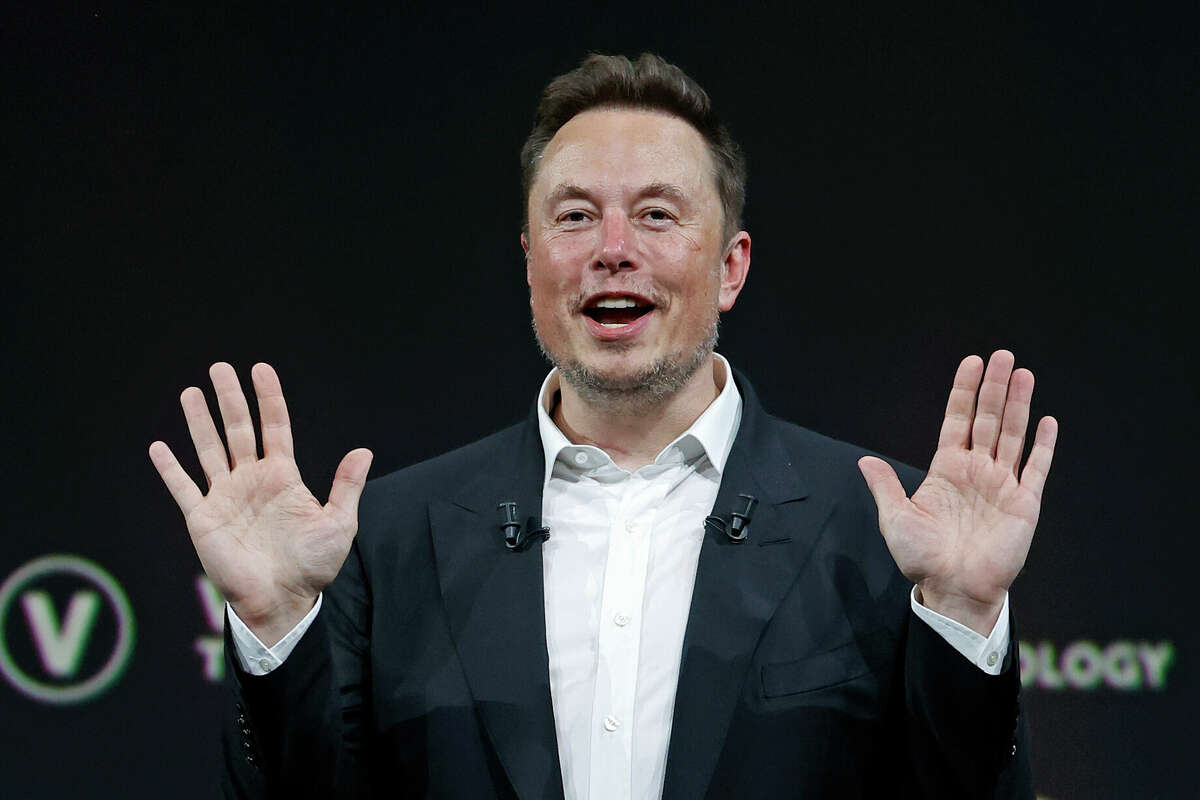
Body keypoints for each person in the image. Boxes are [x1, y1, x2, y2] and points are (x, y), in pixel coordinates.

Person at [149, 53, 1057, 799]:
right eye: (575, 216)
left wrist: (966, 619)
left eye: (657, 214)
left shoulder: (881, 532)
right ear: (532, 261)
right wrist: (275, 626)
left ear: (731, 267)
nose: (611, 247)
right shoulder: (384, 541)